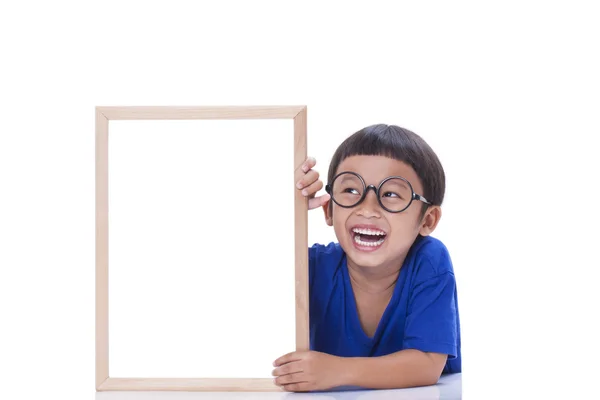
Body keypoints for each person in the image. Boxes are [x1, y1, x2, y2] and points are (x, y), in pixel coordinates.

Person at [271, 124, 461, 392]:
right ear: (328, 210)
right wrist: (285, 203)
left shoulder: (429, 261)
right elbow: (251, 264)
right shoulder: (312, 264)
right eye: (350, 191)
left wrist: (335, 371)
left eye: (392, 194)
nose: (367, 209)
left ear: (427, 220)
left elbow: (427, 365)